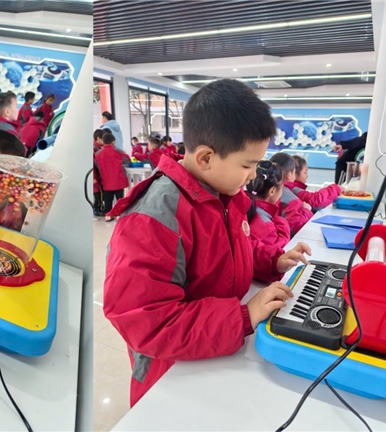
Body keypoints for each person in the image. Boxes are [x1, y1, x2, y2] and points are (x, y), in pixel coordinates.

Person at [103, 79, 311, 407]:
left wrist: (272, 261)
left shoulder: (224, 192)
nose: (252, 175)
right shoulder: (154, 217)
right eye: (247, 165)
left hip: (217, 354)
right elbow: (147, 322)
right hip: (172, 374)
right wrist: (243, 316)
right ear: (205, 158)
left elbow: (232, 248)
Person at [246, 161, 290, 248]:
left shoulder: (242, 204)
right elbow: (277, 247)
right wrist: (279, 220)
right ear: (272, 191)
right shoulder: (266, 225)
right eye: (282, 187)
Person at [269, 152, 313, 235]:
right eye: (294, 171)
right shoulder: (290, 197)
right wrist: (306, 211)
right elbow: (295, 227)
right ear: (289, 175)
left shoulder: (264, 188)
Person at [95, 133, 130, 222]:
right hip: (119, 180)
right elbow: (128, 161)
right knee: (119, 199)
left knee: (108, 199)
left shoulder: (98, 153)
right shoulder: (118, 151)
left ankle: (108, 215)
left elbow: (97, 165)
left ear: (103, 141)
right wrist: (125, 154)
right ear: (113, 142)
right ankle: (119, 214)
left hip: (106, 181)